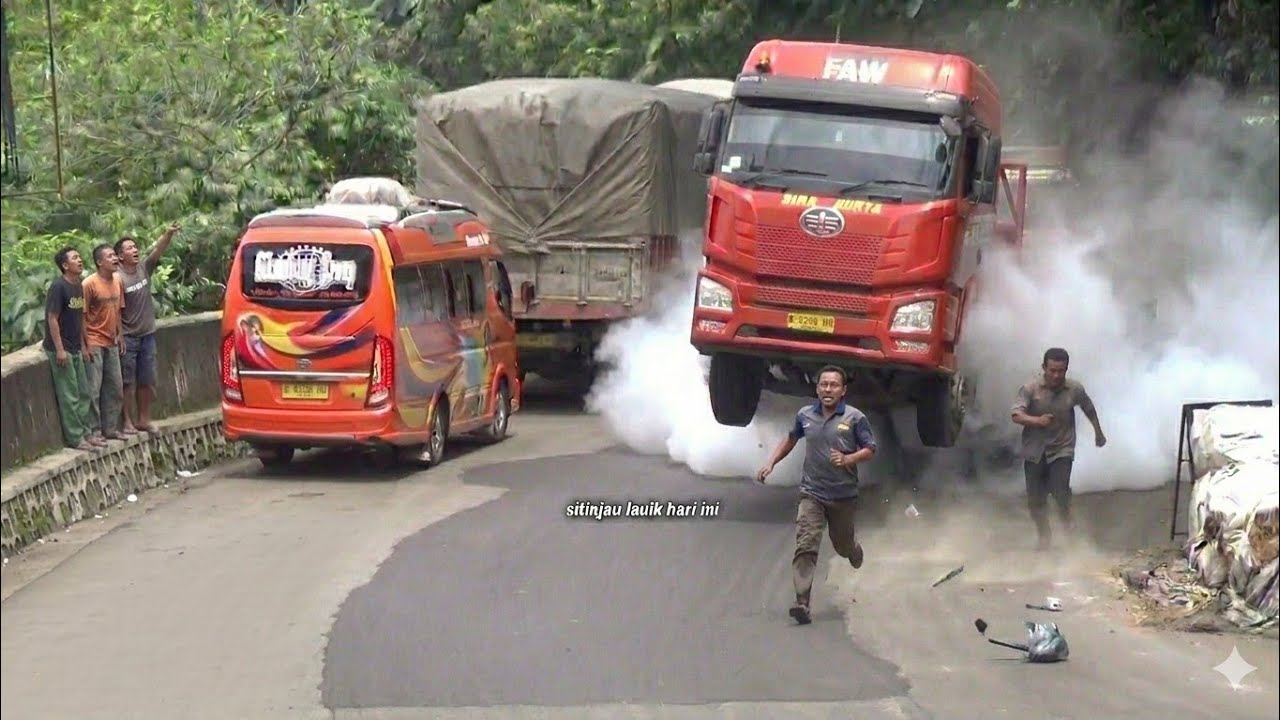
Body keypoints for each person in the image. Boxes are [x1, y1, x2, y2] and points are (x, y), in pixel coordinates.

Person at [757, 365, 877, 625]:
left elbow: (870, 449)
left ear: (843, 390)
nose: (828, 389)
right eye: (823, 384)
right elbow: (790, 439)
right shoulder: (805, 415)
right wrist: (771, 463)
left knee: (841, 544)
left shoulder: (855, 418)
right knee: (806, 543)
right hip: (812, 491)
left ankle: (853, 550)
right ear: (817, 388)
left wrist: (848, 458)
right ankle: (802, 603)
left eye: (834, 385)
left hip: (843, 495)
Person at [1010, 347, 1107, 551]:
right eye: (1052, 370)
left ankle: (1067, 523)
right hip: (1034, 451)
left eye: (1060, 371)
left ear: (1066, 370)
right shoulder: (1030, 389)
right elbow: (1016, 415)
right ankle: (1044, 536)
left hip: (1062, 448)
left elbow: (1088, 408)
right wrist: (1038, 421)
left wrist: (1098, 432)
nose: (1056, 375)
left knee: (1060, 490)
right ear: (1044, 368)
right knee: (1035, 500)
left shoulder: (1074, 389)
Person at [114, 222, 179, 432]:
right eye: (129, 248)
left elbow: (157, 250)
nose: (134, 250)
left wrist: (168, 234)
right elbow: (114, 309)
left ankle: (144, 418)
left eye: (135, 247)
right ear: (120, 256)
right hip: (129, 336)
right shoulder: (118, 278)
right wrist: (119, 335)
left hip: (147, 334)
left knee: (147, 379)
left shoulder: (144, 268)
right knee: (128, 381)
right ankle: (127, 421)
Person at [42, 247, 99, 450]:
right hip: (62, 349)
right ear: (65, 265)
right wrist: (59, 349)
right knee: (70, 396)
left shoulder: (78, 287)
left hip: (76, 348)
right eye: (75, 258)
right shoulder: (58, 287)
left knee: (84, 392)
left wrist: (85, 345)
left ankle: (86, 432)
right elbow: (52, 318)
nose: (80, 260)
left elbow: (80, 318)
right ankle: (76, 438)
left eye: (79, 256)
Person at [82, 244, 128, 442]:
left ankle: (110, 428)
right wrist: (85, 344)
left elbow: (117, 309)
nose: (115, 259)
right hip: (94, 340)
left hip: (111, 341)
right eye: (110, 256)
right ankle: (93, 430)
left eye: (115, 255)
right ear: (100, 262)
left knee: (115, 386)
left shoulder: (118, 280)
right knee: (94, 389)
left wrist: (120, 334)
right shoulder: (88, 284)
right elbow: (81, 316)